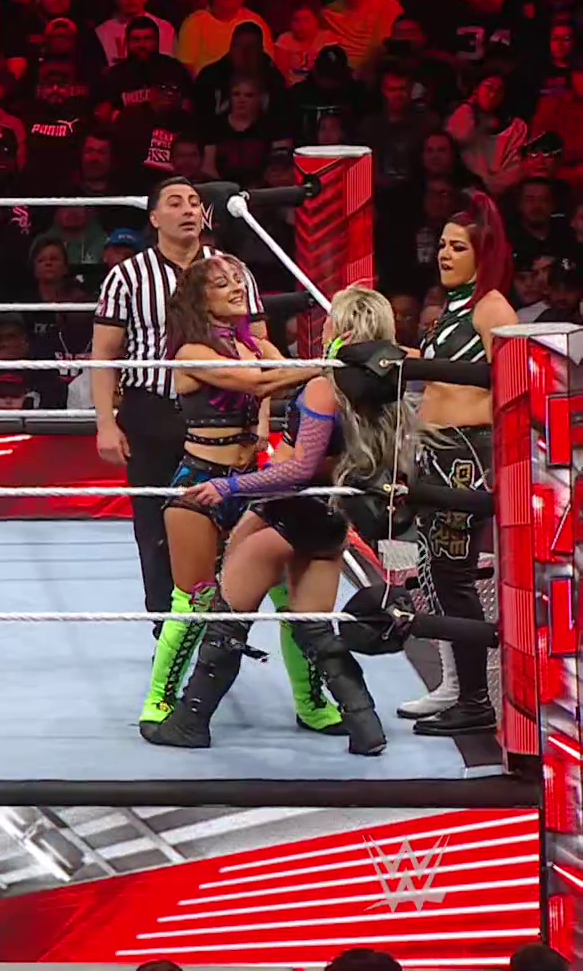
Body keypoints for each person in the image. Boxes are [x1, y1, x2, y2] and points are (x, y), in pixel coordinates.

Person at [147, 286, 409, 756]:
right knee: (313, 628)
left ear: (343, 329)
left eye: (331, 321)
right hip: (329, 519)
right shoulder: (383, 387)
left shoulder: (326, 388)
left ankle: (189, 722)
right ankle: (366, 726)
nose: (323, 327)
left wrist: (229, 487)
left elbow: (298, 469)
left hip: (289, 512)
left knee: (227, 621)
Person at [141, 255, 326, 736]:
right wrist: (326, 364)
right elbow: (261, 381)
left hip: (252, 482)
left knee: (290, 595)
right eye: (222, 284)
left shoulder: (256, 344)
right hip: (199, 483)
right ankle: (159, 701)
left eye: (239, 279)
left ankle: (311, 703)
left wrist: (317, 369)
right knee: (195, 601)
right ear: (200, 298)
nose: (237, 288)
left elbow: (285, 376)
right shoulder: (189, 352)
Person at [93, 177, 266, 630]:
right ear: (154, 217)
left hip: (221, 415)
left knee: (228, 521)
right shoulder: (127, 276)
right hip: (152, 411)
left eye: (194, 202)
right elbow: (105, 353)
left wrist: (261, 419)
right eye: (175, 203)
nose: (189, 210)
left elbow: (259, 345)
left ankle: (221, 624)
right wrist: (105, 423)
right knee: (154, 527)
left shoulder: (232, 271)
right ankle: (166, 626)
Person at [402, 190, 516, 736]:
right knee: (435, 573)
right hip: (437, 448)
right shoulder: (455, 307)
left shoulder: (492, 308)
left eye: (458, 247)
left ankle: (475, 702)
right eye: (443, 246)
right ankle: (456, 687)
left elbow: (513, 387)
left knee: (453, 576)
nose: (444, 255)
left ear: (482, 253)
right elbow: (440, 375)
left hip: (465, 454)